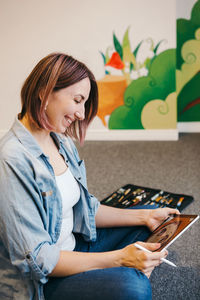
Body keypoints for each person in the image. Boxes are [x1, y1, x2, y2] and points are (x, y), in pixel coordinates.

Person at [0, 52, 179, 300]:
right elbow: (39, 260)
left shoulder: (60, 141)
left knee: (153, 222)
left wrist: (145, 215)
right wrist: (119, 258)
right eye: (77, 100)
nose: (82, 114)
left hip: (74, 247)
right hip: (45, 280)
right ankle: (123, 274)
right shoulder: (11, 159)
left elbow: (84, 210)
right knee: (134, 288)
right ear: (44, 91)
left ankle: (122, 269)